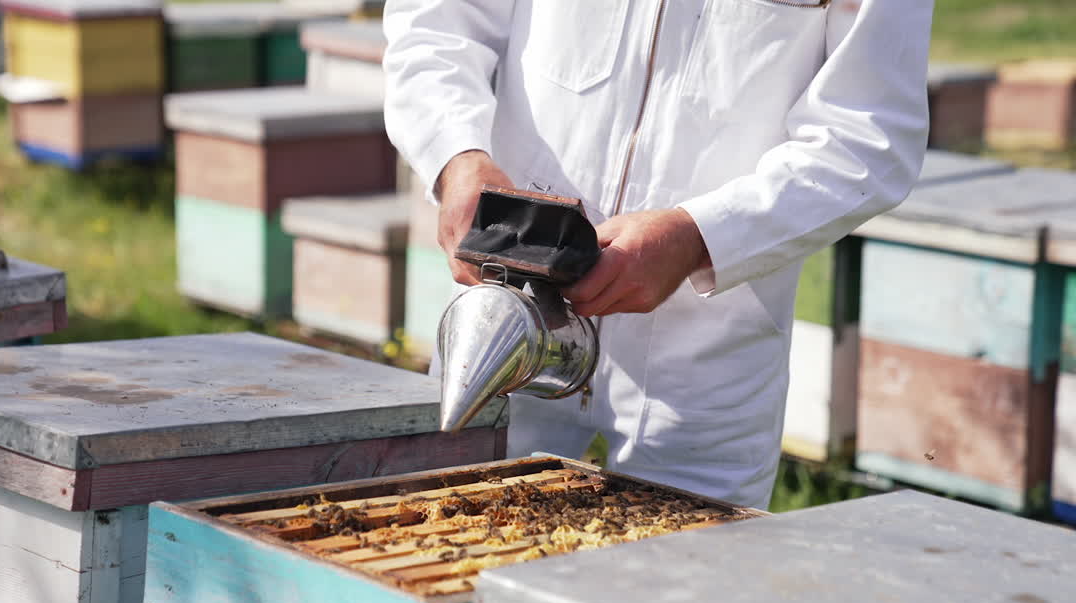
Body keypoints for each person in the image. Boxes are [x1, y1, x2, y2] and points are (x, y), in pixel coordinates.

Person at [382, 1, 933, 509]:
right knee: (450, 552)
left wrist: (700, 236)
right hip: (505, 313)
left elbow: (867, 135)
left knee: (682, 596)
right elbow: (435, 23)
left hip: (706, 347)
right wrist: (455, 156)